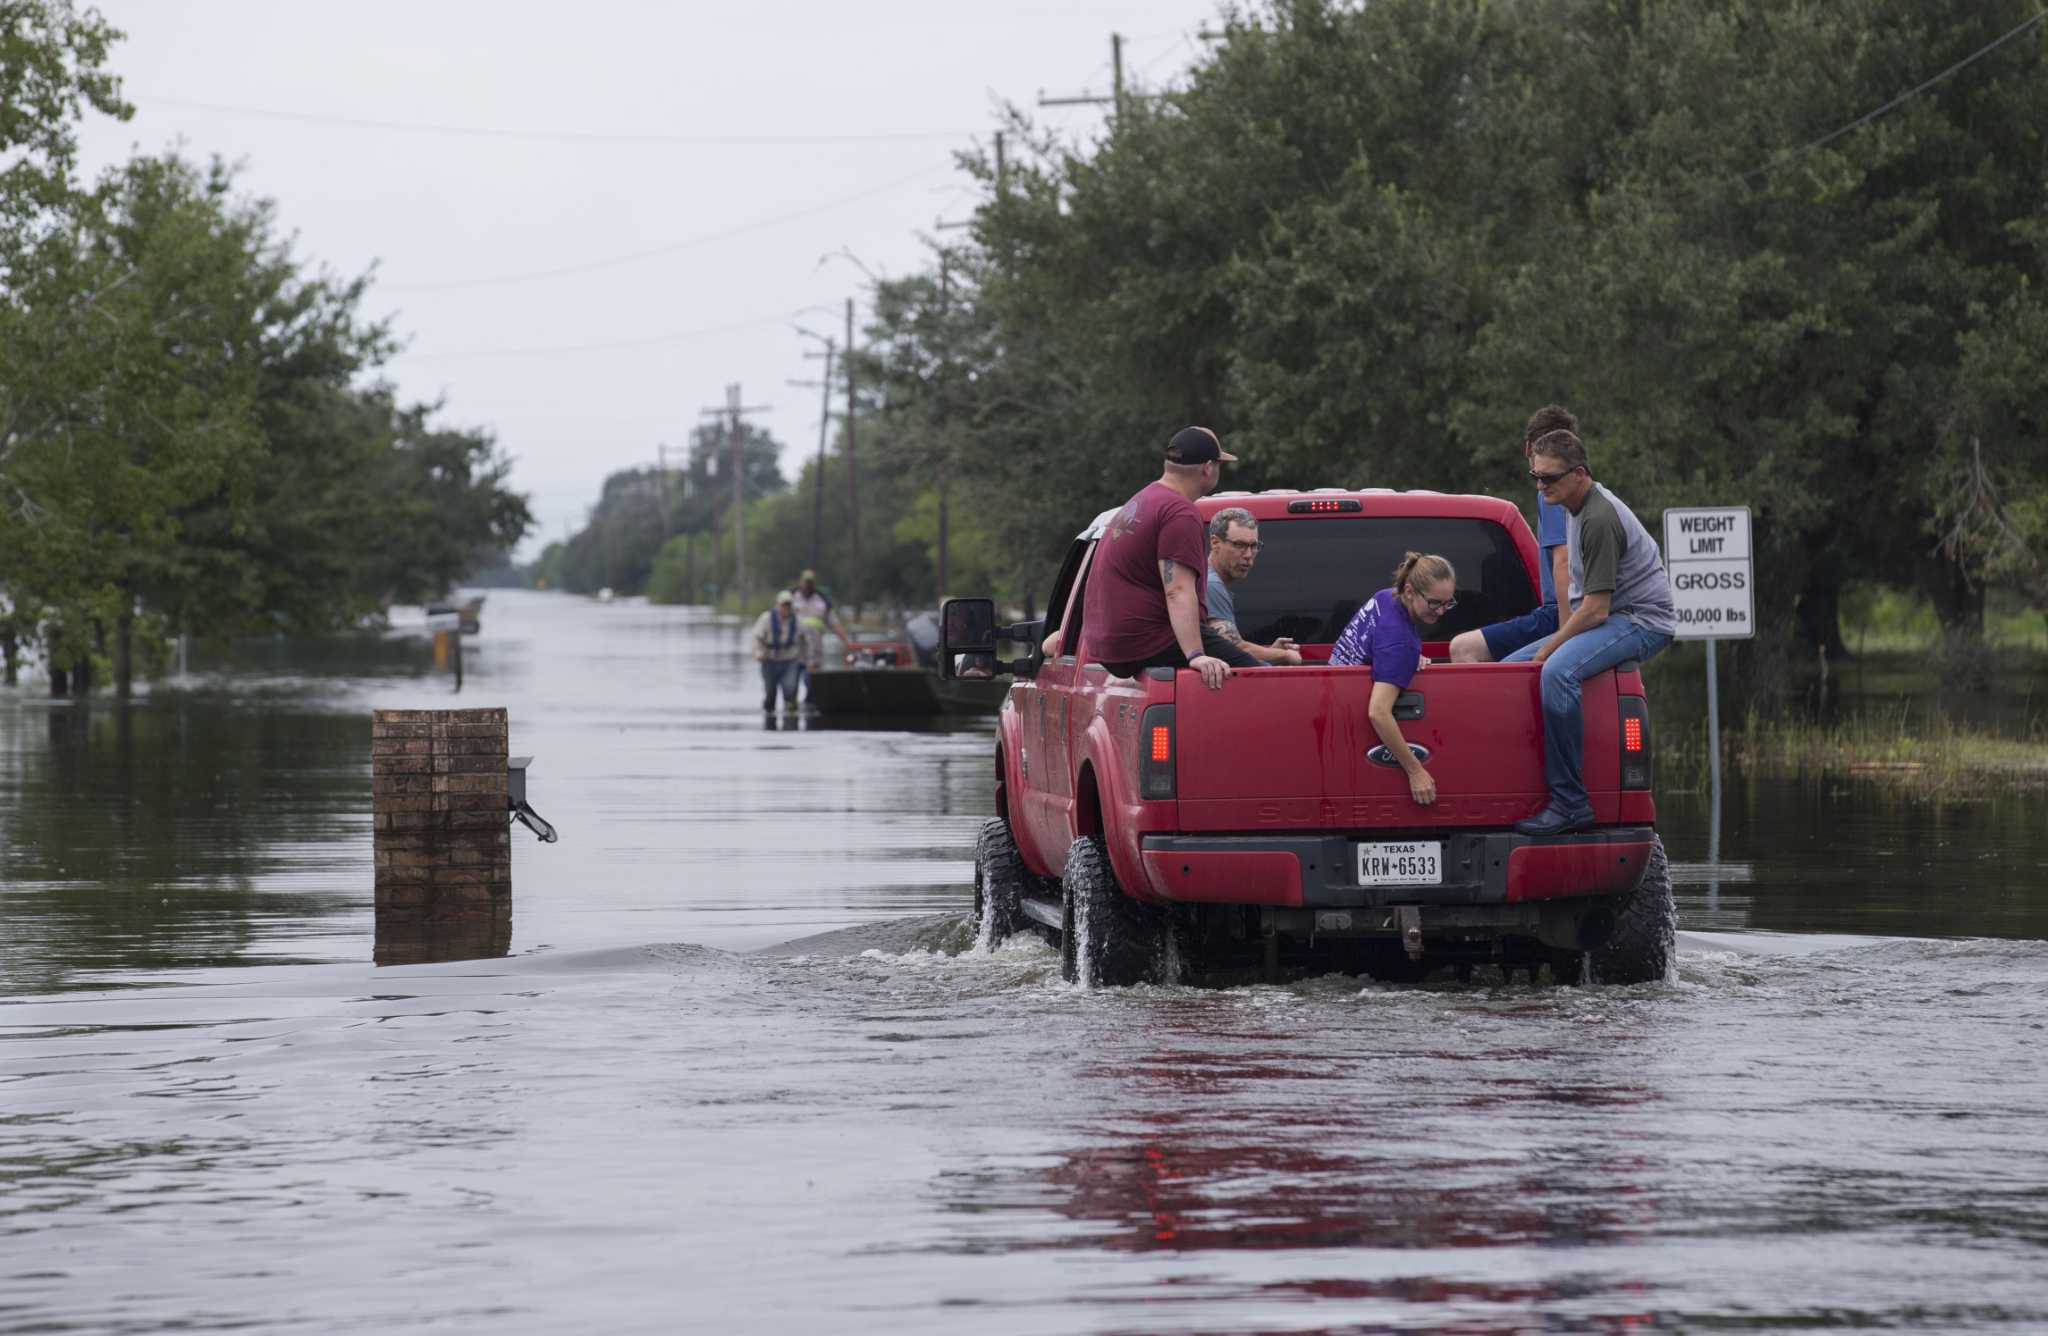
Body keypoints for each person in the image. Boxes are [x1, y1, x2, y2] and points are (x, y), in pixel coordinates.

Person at [1504, 430, 1676, 836]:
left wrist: (1552, 644)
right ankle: (1525, 789)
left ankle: (1570, 803)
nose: (1540, 486)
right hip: (1609, 615)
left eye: (1549, 478)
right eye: (1535, 477)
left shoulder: (1598, 518)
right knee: (1509, 670)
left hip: (1642, 620)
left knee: (1555, 671)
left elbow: (1596, 610)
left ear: (1579, 474)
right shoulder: (1571, 505)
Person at [1078, 426, 1240, 689]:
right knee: (1261, 675)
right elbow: (1176, 589)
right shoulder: (1179, 512)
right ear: (1208, 468)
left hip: (1110, 647)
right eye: (1220, 464)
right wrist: (1196, 655)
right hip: (1149, 640)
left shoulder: (1143, 500)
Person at [1450, 404, 1578, 664]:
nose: (1542, 482)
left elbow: (1562, 561)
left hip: (1558, 615)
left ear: (1528, 447)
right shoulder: (1583, 489)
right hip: (1574, 610)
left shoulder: (1551, 492)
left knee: (1463, 649)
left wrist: (1565, 636)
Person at [1329, 552, 1457, 807]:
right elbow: (1378, 712)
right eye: (1434, 603)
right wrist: (1415, 770)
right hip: (1349, 721)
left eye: (1448, 602)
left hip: (1334, 692)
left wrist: (1412, 654)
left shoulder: (1385, 597)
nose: (1442, 611)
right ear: (1410, 591)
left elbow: (1379, 641)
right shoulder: (1401, 644)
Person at [1204, 508, 1303, 666]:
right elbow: (1231, 648)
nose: (1248, 554)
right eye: (1239, 545)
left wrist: (1269, 653)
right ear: (1215, 543)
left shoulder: (1209, 580)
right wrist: (1284, 655)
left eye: (1253, 546)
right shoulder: (1211, 584)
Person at [789, 569, 852, 690]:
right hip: (793, 653)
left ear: (814, 583)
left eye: (810, 582)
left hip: (814, 654)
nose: (807, 585)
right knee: (790, 688)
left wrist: (846, 641)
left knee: (812, 687)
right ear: (800, 582)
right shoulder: (790, 598)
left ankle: (809, 705)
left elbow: (834, 624)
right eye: (805, 582)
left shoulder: (823, 601)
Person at [752, 590, 805, 713]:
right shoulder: (766, 618)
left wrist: (806, 660)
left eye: (788, 605)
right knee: (770, 694)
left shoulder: (797, 620)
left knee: (790, 690)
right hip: (769, 660)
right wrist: (758, 653)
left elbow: (805, 641)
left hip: (790, 661)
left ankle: (791, 718)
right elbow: (756, 638)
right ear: (777, 604)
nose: (786, 608)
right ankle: (769, 720)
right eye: (783, 604)